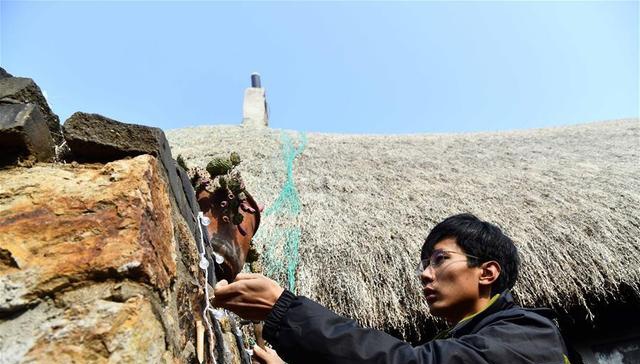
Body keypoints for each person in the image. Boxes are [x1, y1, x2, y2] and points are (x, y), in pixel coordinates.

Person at [214, 213, 572, 363]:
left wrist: (285, 308)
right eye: (424, 264)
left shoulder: (530, 336)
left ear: (487, 272)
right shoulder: (471, 340)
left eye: (440, 259)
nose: (425, 275)